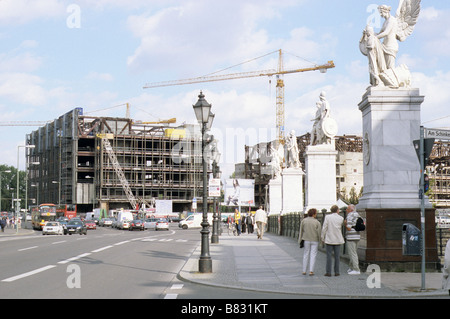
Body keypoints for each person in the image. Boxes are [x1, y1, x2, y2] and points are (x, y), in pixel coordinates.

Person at [321, 205, 345, 276]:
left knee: (329, 256)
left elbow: (324, 228)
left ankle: (328, 272)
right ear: (337, 210)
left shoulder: (327, 217)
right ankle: (337, 272)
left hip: (329, 239)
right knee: (337, 257)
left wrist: (322, 237)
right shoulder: (341, 218)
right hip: (338, 239)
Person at [299, 208, 321, 276]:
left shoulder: (304, 221)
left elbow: (301, 231)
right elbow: (319, 232)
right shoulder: (317, 222)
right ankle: (311, 271)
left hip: (306, 239)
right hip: (315, 240)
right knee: (313, 255)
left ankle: (304, 270)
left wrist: (300, 240)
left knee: (306, 254)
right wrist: (320, 240)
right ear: (314, 214)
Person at [344, 204, 361, 275]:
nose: (346, 210)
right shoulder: (358, 215)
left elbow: (349, 228)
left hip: (351, 237)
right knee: (354, 252)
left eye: (347, 209)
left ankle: (356, 269)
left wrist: (345, 224)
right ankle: (351, 267)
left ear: (351, 210)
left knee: (352, 253)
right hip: (357, 236)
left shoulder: (350, 215)